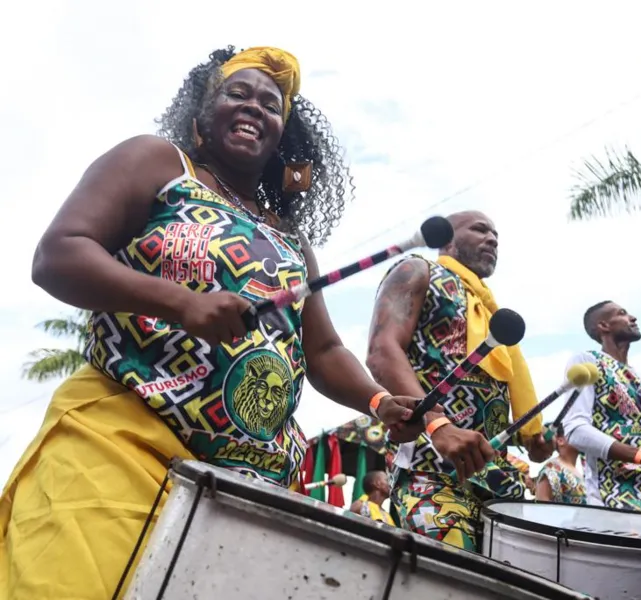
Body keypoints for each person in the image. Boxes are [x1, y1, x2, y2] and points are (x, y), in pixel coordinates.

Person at [0, 46, 435, 599]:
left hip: (242, 487)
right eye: (238, 92)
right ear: (201, 114)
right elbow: (58, 255)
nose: (256, 107)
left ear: (285, 136)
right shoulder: (156, 163)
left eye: (273, 105)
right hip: (118, 440)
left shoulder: (290, 238)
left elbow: (323, 352)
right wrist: (180, 303)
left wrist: (377, 402)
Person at [366, 210, 553, 551]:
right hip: (432, 472)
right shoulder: (418, 270)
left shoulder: (494, 313)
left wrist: (531, 435)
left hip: (500, 488)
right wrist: (438, 425)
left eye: (496, 234)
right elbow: (382, 351)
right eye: (480, 229)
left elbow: (480, 399)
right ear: (447, 239)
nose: (493, 239)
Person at [561, 301, 641, 515]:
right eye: (622, 313)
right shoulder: (588, 362)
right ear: (603, 326)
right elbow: (575, 429)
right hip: (610, 500)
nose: (633, 317)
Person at [535, 425, 587, 504]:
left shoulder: (581, 471)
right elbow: (542, 509)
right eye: (575, 434)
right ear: (560, 441)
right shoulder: (552, 468)